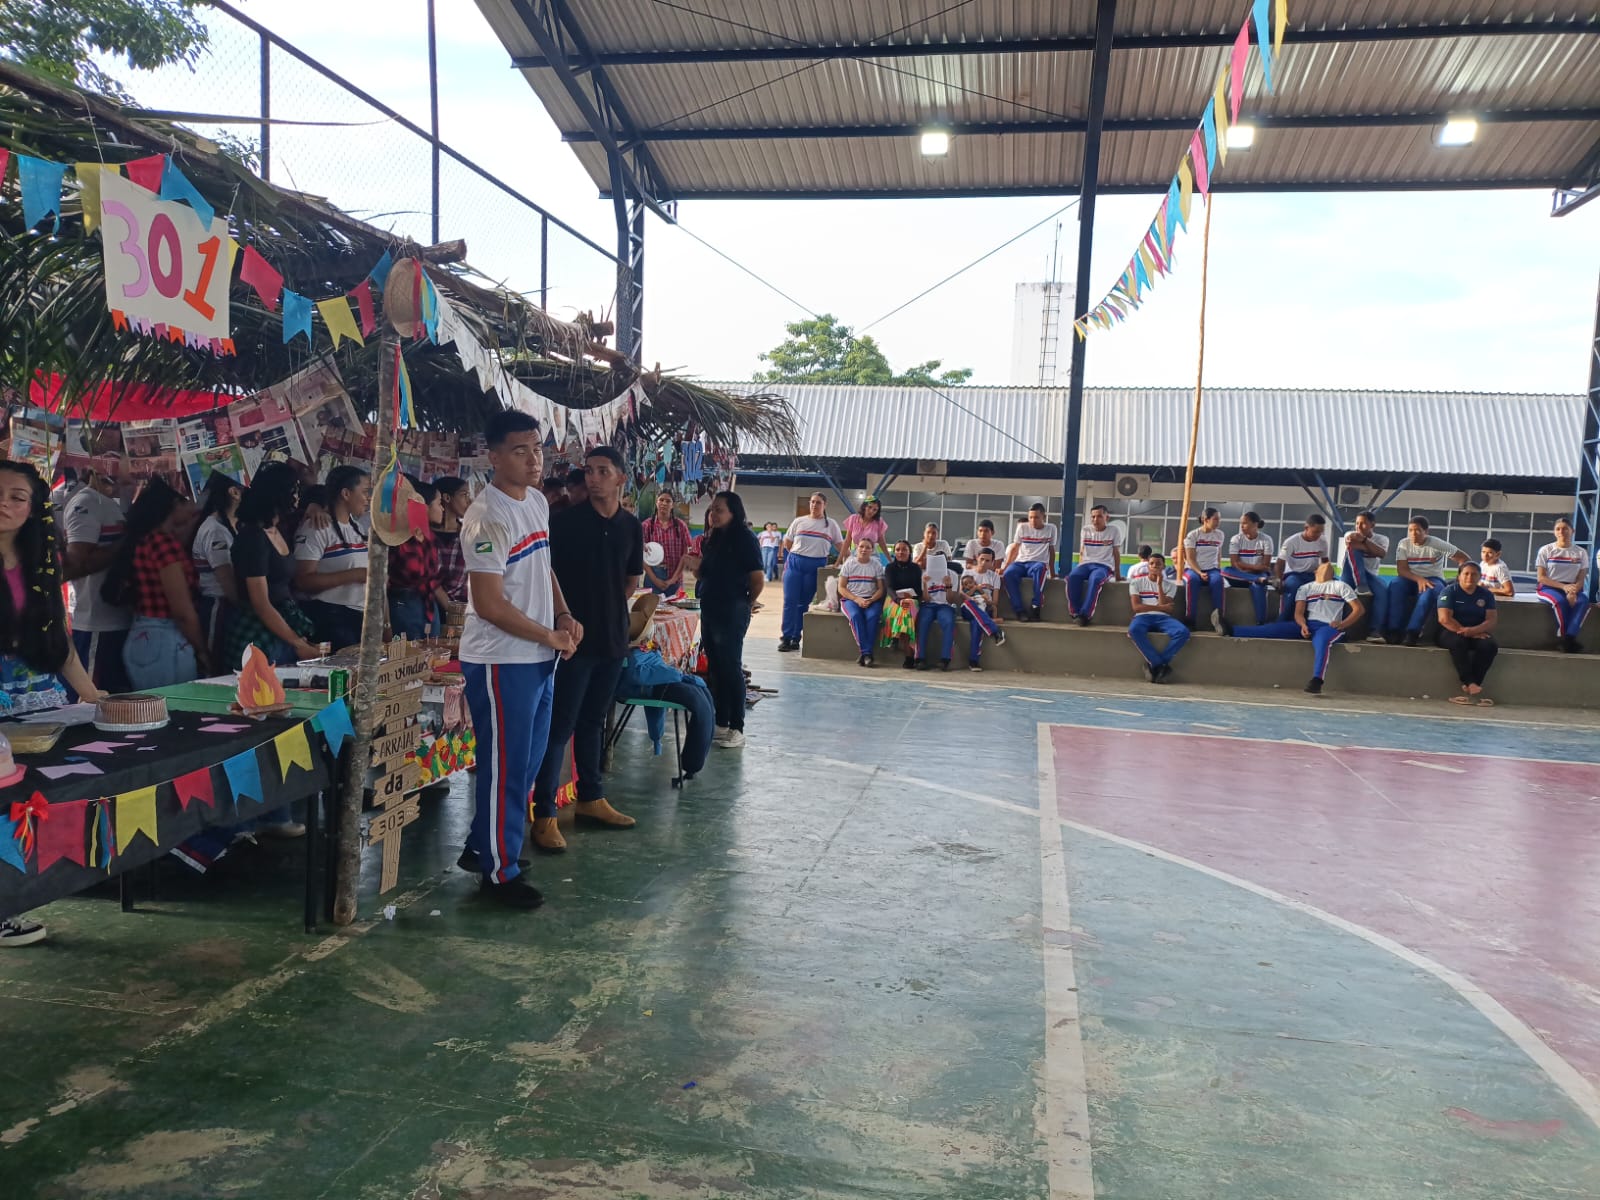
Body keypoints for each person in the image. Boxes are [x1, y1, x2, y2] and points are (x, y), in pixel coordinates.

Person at [456, 411, 576, 909]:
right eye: (520, 450)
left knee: (525, 763)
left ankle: (483, 846)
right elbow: (488, 604)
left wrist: (563, 615)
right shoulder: (487, 517)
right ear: (494, 456)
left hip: (539, 655)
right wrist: (548, 633)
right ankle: (499, 873)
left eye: (537, 448)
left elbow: (544, 568)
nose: (533, 459)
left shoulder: (537, 504)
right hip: (501, 660)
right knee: (504, 768)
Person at [0, 460, 104, 948]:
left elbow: (59, 640)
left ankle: (11, 904)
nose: (4, 504)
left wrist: (93, 696)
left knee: (29, 804)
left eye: (16, 496)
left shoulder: (41, 559)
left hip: (42, 702)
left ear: (33, 508)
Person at [532, 445, 644, 841]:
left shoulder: (631, 526)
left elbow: (630, 580)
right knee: (560, 725)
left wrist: (609, 610)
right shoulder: (565, 523)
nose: (593, 478)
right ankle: (544, 811)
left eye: (602, 471)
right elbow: (546, 576)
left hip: (612, 637)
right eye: (589, 471)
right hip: (572, 640)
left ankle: (591, 797)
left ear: (620, 478)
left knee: (594, 721)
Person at [101, 479, 209, 689]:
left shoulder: (145, 539)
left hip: (143, 634)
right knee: (176, 704)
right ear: (174, 505)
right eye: (189, 502)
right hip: (166, 640)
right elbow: (182, 612)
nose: (193, 509)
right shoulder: (164, 545)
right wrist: (203, 650)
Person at [682, 490, 764, 745]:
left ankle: (737, 727)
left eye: (719, 510)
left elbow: (757, 579)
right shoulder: (712, 539)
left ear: (733, 513)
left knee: (730, 667)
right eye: (711, 510)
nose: (713, 514)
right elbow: (705, 574)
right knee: (715, 667)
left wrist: (746, 603)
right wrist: (695, 567)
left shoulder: (745, 539)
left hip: (732, 610)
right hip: (710, 607)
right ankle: (721, 722)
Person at [225, 463, 321, 669]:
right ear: (278, 493)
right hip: (259, 633)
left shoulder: (278, 529)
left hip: (283, 626)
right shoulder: (253, 537)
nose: (297, 496)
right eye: (293, 490)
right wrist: (297, 643)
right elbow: (260, 602)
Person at [614, 596, 715, 775]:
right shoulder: (632, 658)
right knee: (698, 701)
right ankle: (692, 763)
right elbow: (641, 676)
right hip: (651, 687)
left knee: (704, 696)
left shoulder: (647, 649)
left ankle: (695, 760)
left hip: (660, 683)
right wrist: (678, 676)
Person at [1232, 561, 1363, 696]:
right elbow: (1298, 613)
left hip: (1328, 626)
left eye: (1329, 565)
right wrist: (1303, 625)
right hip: (1308, 624)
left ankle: (1317, 680)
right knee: (1272, 629)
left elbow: (1359, 609)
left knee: (1322, 642)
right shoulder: (1305, 588)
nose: (1327, 564)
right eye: (1322, 566)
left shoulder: (1341, 586)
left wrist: (1342, 624)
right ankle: (1232, 630)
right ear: (1315, 572)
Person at [62, 468, 132, 693]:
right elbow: (76, 564)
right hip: (96, 624)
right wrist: (125, 543)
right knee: (93, 698)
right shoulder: (86, 503)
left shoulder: (107, 503)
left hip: (117, 619)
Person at [294, 465, 369, 651]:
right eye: (365, 492)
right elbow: (302, 581)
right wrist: (355, 575)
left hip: (360, 617)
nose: (368, 498)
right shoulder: (317, 527)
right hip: (332, 617)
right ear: (346, 494)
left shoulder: (357, 528)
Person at [1389, 517, 1469, 646]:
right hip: (1411, 578)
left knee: (1428, 593)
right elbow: (1401, 570)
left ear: (1426, 531)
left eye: (1417, 530)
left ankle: (1412, 632)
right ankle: (1393, 630)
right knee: (1395, 585)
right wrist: (1419, 579)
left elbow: (1464, 559)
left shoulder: (1436, 543)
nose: (1413, 534)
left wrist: (1460, 579)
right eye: (1410, 530)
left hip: (1433, 578)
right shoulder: (1404, 544)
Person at [778, 493, 842, 652]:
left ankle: (796, 637)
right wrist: (798, 554)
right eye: (812, 502)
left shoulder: (831, 524)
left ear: (825, 505)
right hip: (795, 563)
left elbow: (841, 546)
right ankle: (786, 637)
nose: (814, 505)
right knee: (790, 601)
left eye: (818, 502)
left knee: (803, 603)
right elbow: (787, 542)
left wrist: (841, 563)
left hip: (815, 565)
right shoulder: (799, 521)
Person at [387, 480, 449, 641]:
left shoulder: (430, 538)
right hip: (403, 605)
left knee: (431, 651)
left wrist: (452, 609)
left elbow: (433, 581)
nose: (443, 509)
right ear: (424, 506)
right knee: (407, 652)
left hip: (428, 605)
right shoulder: (398, 539)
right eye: (439, 503)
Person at [191, 473, 242, 664]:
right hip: (218, 609)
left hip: (230, 607)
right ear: (234, 492)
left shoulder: (234, 524)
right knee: (218, 664)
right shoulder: (215, 530)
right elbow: (228, 584)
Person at [1437, 562, 1499, 705]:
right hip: (1451, 631)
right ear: (1459, 576)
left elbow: (1491, 620)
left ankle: (1473, 685)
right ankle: (1469, 682)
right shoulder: (1449, 591)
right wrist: (1467, 632)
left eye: (1474, 574)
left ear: (1479, 577)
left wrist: (1474, 631)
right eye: (1466, 574)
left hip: (1477, 632)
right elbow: (1444, 618)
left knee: (1489, 646)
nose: (1470, 577)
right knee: (1458, 643)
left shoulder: (1486, 595)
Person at [1127, 552, 1189, 683]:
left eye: (1158, 564)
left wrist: (1159, 585)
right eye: (1152, 564)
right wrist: (1161, 608)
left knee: (1182, 632)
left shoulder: (1170, 586)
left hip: (1163, 618)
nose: (1155, 566)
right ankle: (1160, 665)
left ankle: (1153, 665)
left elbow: (1167, 608)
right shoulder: (1136, 583)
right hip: (1142, 617)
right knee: (1134, 630)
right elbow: (1137, 607)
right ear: (1148, 566)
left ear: (1163, 567)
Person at [1535, 516, 1590, 652]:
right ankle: (1566, 639)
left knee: (1583, 601)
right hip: (1549, 587)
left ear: (1572, 531)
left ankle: (1569, 638)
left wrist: (1573, 591)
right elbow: (1541, 578)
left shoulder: (1581, 552)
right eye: (1558, 529)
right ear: (1554, 532)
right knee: (1560, 602)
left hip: (1573, 588)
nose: (1561, 532)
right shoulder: (1546, 550)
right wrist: (1564, 587)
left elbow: (1581, 578)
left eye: (1565, 529)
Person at [1336, 511, 1391, 643]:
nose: (1359, 527)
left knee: (1382, 592)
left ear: (1372, 525)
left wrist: (1365, 541)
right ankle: (1338, 628)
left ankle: (1375, 631)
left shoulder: (1382, 539)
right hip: (1349, 572)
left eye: (1363, 524)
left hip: (1370, 575)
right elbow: (1352, 545)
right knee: (1341, 594)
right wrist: (1372, 549)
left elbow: (1382, 553)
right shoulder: (1350, 534)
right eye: (1357, 523)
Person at [1066, 504, 1122, 627]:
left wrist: (1118, 574)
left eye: (1099, 516)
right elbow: (1082, 550)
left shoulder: (1114, 531)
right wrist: (1079, 566)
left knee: (1096, 579)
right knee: (1072, 577)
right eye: (1093, 517)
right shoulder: (1085, 530)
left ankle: (1085, 615)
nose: (1095, 520)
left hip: (1104, 566)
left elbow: (1116, 553)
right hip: (1086, 564)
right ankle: (1075, 613)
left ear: (1107, 517)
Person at [836, 537, 886, 667]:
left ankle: (865, 654)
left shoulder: (876, 565)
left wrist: (871, 599)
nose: (864, 550)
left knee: (873, 617)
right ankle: (867, 653)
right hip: (851, 600)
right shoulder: (849, 564)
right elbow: (841, 587)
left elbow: (881, 589)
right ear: (856, 548)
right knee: (856, 616)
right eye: (861, 546)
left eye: (867, 547)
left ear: (872, 550)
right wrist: (856, 599)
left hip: (871, 600)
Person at [1002, 504, 1057, 622]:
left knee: (1040, 570)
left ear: (1044, 517)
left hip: (1038, 563)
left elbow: (1051, 551)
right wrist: (1005, 567)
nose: (1033, 520)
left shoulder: (1051, 528)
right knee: (1008, 574)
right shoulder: (1022, 527)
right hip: (1021, 563)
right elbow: (1015, 548)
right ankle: (1019, 610)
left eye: (1036, 517)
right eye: (1030, 517)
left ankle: (1036, 607)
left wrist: (1052, 572)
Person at [1180, 507, 1230, 633]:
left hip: (1212, 569)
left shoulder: (1220, 535)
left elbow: (1218, 554)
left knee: (1218, 581)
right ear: (1205, 520)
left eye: (1219, 519)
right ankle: (1190, 619)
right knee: (1193, 581)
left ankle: (1219, 619)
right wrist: (1200, 572)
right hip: (1193, 569)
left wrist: (1218, 569)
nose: (1218, 522)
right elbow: (1190, 558)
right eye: (1215, 519)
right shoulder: (1193, 535)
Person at [1275, 513, 1330, 621]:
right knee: (1295, 589)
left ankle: (1316, 621)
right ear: (1306, 528)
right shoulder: (1291, 542)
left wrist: (1328, 579)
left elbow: (1325, 562)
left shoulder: (1322, 541)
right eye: (1315, 532)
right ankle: (1284, 621)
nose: (1318, 535)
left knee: (1333, 587)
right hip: (1294, 574)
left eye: (1321, 532)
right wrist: (1278, 579)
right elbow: (1280, 562)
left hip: (1313, 575)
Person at [1223, 511, 1274, 626]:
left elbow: (1265, 566)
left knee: (1258, 586)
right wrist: (1251, 571)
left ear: (1255, 524)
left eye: (1245, 523)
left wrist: (1248, 569)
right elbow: (1234, 563)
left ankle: (1261, 622)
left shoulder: (1266, 540)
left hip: (1258, 575)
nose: (1242, 526)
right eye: (1241, 523)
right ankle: (1257, 580)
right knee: (1224, 570)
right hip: (1240, 576)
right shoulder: (1236, 539)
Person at [960, 546, 1006, 671]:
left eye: (988, 560)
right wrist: (973, 595)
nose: (984, 563)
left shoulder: (994, 577)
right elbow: (961, 594)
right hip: (968, 607)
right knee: (970, 604)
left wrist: (986, 599)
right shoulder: (968, 573)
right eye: (982, 559)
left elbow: (994, 601)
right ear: (977, 558)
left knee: (977, 624)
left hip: (984, 608)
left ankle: (973, 661)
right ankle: (995, 630)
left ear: (992, 562)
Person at [640, 490, 692, 596]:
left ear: (672, 505)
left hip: (675, 580)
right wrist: (655, 579)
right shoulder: (646, 526)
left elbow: (685, 555)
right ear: (656, 502)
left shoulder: (681, 526)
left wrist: (673, 579)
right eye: (661, 500)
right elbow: (642, 555)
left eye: (668, 501)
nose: (664, 503)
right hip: (652, 578)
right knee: (652, 606)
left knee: (675, 606)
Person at [432, 476, 472, 606]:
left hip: (461, 609)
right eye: (464, 495)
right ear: (447, 498)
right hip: (429, 608)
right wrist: (448, 606)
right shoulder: (424, 535)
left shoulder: (470, 535)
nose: (469, 501)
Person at [882, 540, 923, 668]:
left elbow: (919, 590)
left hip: (911, 600)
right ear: (894, 552)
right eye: (898, 549)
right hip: (893, 600)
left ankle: (895, 636)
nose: (901, 552)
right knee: (905, 614)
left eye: (904, 549)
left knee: (907, 608)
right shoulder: (890, 567)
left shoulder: (916, 568)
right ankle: (909, 657)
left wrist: (910, 597)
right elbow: (889, 588)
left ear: (909, 551)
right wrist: (898, 600)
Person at [915, 555, 958, 671]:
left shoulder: (952, 575)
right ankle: (920, 658)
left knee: (948, 622)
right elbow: (926, 599)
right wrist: (925, 584)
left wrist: (948, 586)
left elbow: (951, 600)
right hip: (928, 605)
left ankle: (945, 659)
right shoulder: (925, 575)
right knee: (922, 622)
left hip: (945, 606)